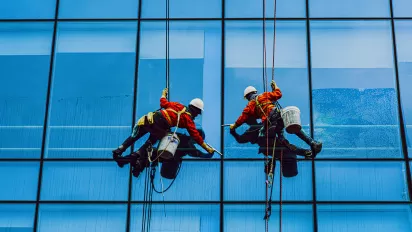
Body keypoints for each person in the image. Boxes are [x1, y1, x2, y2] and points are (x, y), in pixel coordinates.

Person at [112, 88, 215, 164]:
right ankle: (137, 154)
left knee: (135, 136)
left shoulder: (177, 105)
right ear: (195, 110)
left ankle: (120, 149)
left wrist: (163, 94)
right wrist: (207, 149)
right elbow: (196, 136)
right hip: (160, 125)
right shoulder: (188, 120)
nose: (197, 115)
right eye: (198, 113)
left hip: (149, 119)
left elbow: (163, 103)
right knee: (152, 140)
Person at [229, 80, 322, 155]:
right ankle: (313, 143)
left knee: (283, 142)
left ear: (247, 97)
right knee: (294, 127)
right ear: (255, 92)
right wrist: (275, 86)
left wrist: (234, 126)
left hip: (271, 124)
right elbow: (278, 94)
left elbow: (242, 119)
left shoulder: (249, 106)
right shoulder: (264, 95)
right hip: (279, 115)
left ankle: (305, 152)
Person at [116, 129, 213, 178]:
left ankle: (127, 161)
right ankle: (134, 165)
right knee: (146, 156)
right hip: (165, 158)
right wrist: (208, 154)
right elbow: (198, 154)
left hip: (161, 156)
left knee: (146, 154)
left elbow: (197, 153)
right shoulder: (188, 145)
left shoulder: (181, 137)